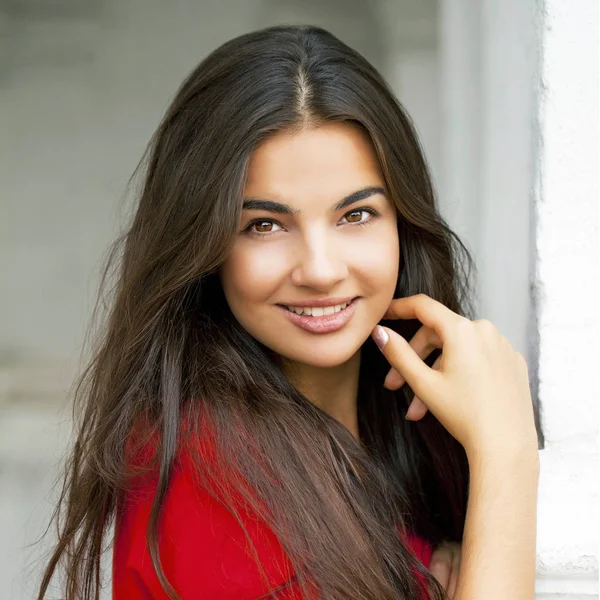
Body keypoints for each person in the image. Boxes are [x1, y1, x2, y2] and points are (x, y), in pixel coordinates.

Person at [36, 24, 540, 600]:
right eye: (265, 224)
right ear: (205, 247)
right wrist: (507, 457)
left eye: (356, 215)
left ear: (404, 220)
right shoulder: (207, 481)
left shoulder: (401, 426)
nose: (320, 269)